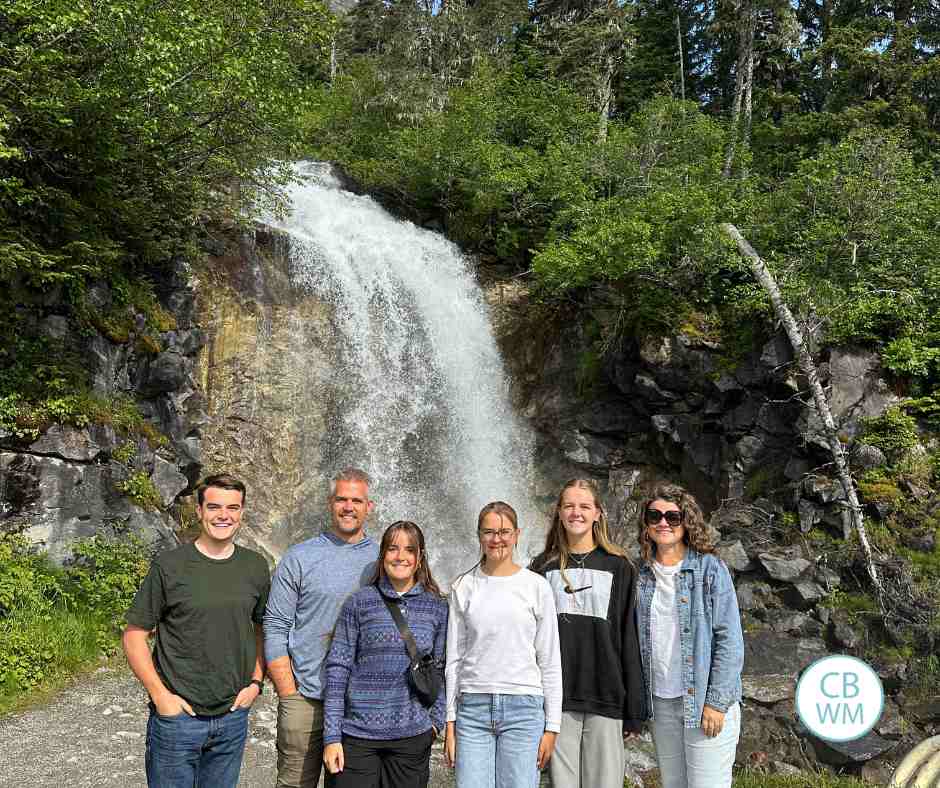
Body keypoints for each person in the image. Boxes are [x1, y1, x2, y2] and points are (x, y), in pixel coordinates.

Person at [123, 473, 270, 787]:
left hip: (233, 716)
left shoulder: (255, 566)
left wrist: (256, 682)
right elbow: (134, 635)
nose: (223, 515)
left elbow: (260, 628)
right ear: (200, 511)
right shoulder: (170, 566)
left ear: (242, 513)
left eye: (233, 508)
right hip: (178, 719)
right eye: (214, 507)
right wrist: (161, 697)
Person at [264, 468, 380, 788]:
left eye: (357, 500)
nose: (348, 506)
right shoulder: (299, 556)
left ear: (369, 507)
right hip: (307, 697)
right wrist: (288, 690)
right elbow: (275, 624)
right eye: (341, 499)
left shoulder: (383, 560)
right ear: (330, 503)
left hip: (359, 704)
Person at [530, 478, 647, 788]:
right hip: (557, 701)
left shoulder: (620, 567)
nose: (576, 513)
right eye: (569, 506)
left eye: (584, 506)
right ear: (558, 513)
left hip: (606, 696)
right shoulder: (542, 569)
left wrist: (634, 707)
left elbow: (628, 637)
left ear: (598, 513)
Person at [444, 501, 562, 788]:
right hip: (472, 708)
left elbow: (549, 659)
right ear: (479, 535)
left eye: (504, 532)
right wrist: (450, 722)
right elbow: (454, 659)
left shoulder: (537, 587)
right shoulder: (463, 586)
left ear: (517, 534)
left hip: (524, 709)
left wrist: (552, 727)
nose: (497, 539)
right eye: (489, 532)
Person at [322, 521, 448, 788]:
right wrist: (332, 736)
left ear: (420, 557)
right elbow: (338, 668)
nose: (400, 556)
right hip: (356, 736)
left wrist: (435, 723)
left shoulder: (436, 606)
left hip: (412, 737)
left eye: (409, 550)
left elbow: (440, 668)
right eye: (392, 549)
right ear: (382, 555)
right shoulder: (359, 602)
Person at [635, 483, 744, 788]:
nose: (663, 523)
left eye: (673, 516)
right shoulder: (639, 573)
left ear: (687, 521)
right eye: (655, 515)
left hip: (702, 703)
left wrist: (716, 703)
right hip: (661, 703)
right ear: (646, 521)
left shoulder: (709, 569)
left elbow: (730, 639)